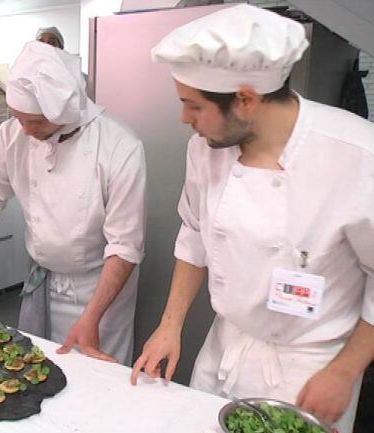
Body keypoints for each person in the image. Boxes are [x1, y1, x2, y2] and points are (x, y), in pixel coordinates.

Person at [130, 5, 374, 432]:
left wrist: (344, 372)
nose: (183, 118)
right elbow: (194, 235)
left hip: (311, 369)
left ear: (244, 99)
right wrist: (170, 326)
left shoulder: (356, 155)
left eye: (193, 105)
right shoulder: (206, 148)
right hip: (225, 347)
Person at [0, 41, 147, 364]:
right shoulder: (13, 133)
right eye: (18, 118)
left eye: (35, 122)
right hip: (44, 280)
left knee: (98, 381)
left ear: (64, 113)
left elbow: (125, 247)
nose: (25, 130)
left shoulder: (119, 148)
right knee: (39, 369)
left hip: (100, 292)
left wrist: (92, 315)